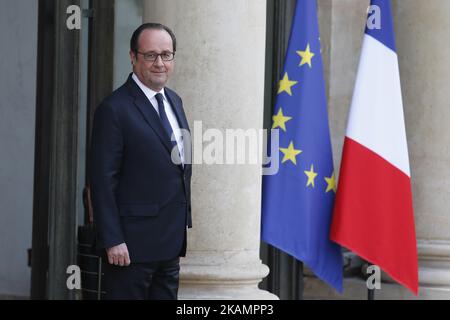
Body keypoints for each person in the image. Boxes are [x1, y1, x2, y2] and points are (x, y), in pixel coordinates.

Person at [89, 23, 192, 300]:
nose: (160, 63)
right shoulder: (114, 109)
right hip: (130, 248)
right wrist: (112, 239)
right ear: (133, 57)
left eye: (166, 55)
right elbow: (101, 181)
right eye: (150, 55)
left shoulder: (174, 100)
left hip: (169, 243)